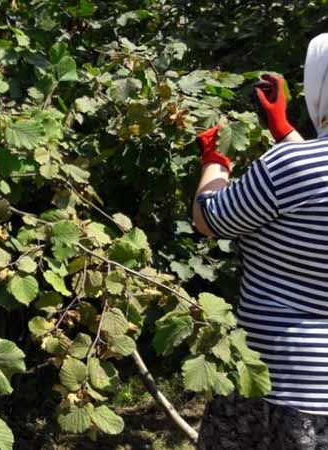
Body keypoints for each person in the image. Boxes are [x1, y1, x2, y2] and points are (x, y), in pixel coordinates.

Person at [193, 34, 328, 449]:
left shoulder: (292, 167)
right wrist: (285, 132)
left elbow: (209, 217)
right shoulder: (300, 162)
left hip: (277, 387)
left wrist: (215, 161)